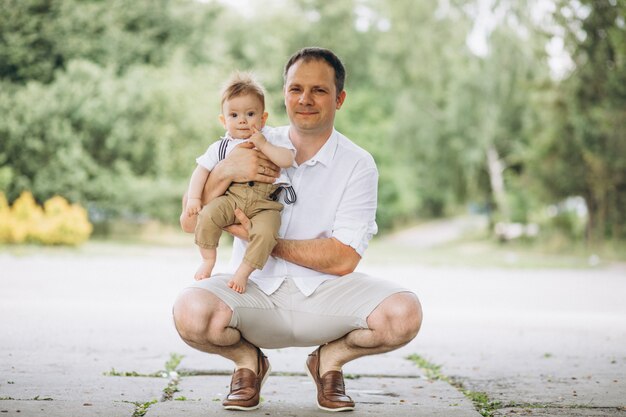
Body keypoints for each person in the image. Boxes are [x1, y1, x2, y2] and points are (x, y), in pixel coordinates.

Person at [174, 47, 423, 412]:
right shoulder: (244, 142)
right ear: (284, 93)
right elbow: (191, 222)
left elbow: (342, 259)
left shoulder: (358, 164)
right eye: (295, 89)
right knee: (189, 310)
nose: (305, 99)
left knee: (404, 313)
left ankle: (329, 361)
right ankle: (248, 362)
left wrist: (261, 240)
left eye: (319, 90)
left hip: (327, 295)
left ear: (339, 98)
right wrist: (226, 172)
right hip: (252, 290)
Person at [183, 72, 295, 293]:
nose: (242, 120)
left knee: (267, 232)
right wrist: (195, 198)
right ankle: (208, 258)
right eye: (234, 115)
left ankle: (244, 272)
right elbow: (201, 171)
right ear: (224, 121)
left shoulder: (271, 137)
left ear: (263, 118)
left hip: (265, 204)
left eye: (250, 113)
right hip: (231, 200)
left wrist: (263, 145)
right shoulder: (221, 147)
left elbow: (287, 160)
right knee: (207, 215)